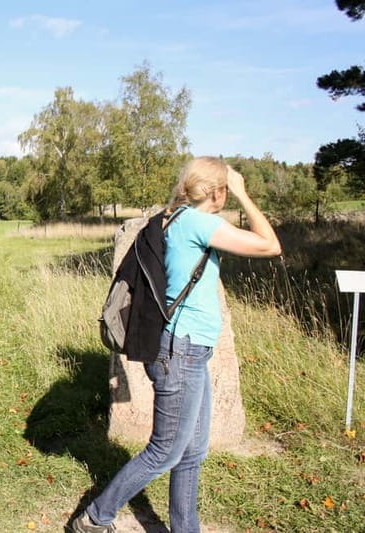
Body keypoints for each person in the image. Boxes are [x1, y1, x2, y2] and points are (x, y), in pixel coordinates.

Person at [71, 157, 282, 533]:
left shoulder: (176, 217)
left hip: (187, 351)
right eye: (225, 189)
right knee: (165, 451)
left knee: (192, 452)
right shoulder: (199, 222)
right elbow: (270, 245)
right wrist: (243, 193)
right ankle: (95, 517)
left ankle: (186, 528)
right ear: (217, 191)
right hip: (180, 352)